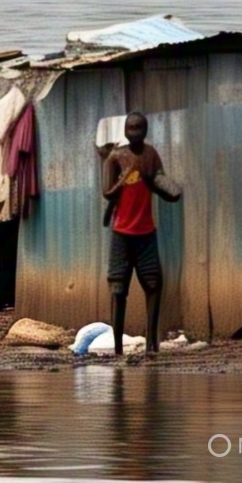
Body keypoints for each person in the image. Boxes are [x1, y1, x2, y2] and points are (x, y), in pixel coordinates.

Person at [102, 112, 181, 356]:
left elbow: (161, 182)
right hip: (121, 233)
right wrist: (124, 178)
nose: (135, 131)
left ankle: (151, 346)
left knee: (154, 284)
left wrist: (166, 185)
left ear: (145, 130)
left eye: (139, 127)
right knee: (118, 289)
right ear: (125, 130)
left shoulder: (151, 155)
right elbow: (107, 192)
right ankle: (117, 349)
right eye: (131, 127)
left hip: (146, 232)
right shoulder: (115, 158)